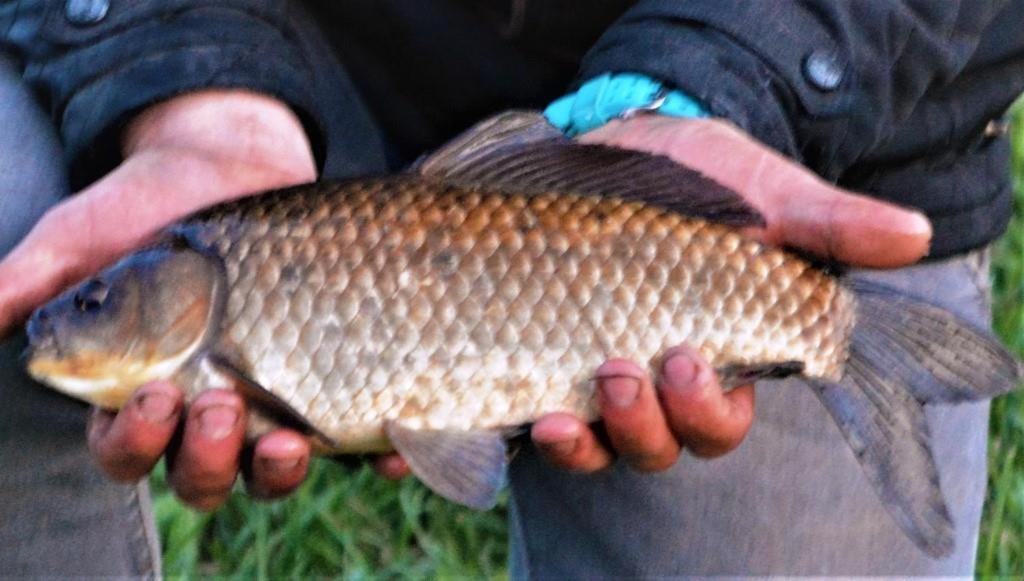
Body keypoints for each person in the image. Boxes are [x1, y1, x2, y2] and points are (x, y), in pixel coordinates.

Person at [0, 1, 1020, 576]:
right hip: (305, 51)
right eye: (98, 301)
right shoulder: (219, 268)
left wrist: (734, 73)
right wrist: (183, 71)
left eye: (94, 304)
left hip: (812, 75)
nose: (84, 308)